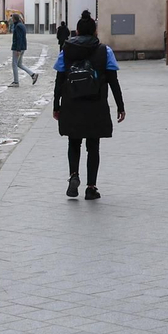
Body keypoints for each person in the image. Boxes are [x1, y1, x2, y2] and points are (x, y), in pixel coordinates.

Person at [53, 12, 124, 200]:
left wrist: (56, 105)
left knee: (73, 142)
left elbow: (59, 79)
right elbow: (113, 80)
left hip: (71, 102)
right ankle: (91, 187)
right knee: (93, 146)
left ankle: (73, 175)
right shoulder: (104, 50)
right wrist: (120, 106)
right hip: (96, 104)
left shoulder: (66, 50)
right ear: (94, 30)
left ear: (77, 30)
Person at [9, 13, 39, 87]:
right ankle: (33, 74)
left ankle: (16, 82)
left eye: (12, 18)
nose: (11, 20)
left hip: (17, 48)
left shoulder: (18, 26)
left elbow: (19, 38)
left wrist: (18, 49)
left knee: (14, 64)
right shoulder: (21, 25)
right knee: (19, 64)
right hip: (22, 47)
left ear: (14, 19)